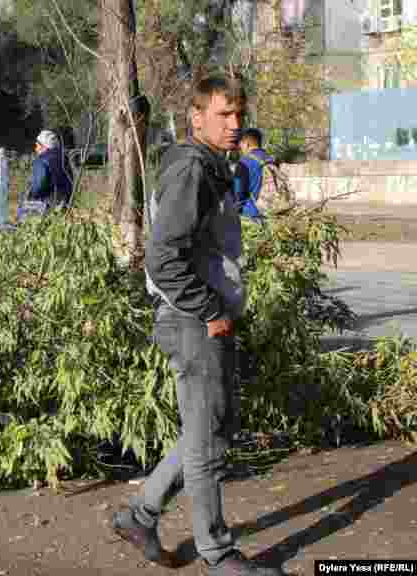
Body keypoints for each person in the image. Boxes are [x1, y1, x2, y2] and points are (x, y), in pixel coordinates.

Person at [113, 76, 283, 576]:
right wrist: (211, 310)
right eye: (223, 115)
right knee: (208, 442)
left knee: (210, 431)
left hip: (201, 318)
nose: (235, 125)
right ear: (197, 116)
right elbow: (164, 258)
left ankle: (139, 515)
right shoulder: (192, 169)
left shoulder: (210, 165)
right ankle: (218, 554)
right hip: (192, 321)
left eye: (238, 115)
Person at [233, 128, 275, 220]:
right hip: (272, 212)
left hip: (251, 215)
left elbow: (237, 193)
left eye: (240, 145)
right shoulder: (270, 159)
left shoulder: (244, 162)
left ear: (246, 144)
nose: (240, 148)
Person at [29, 129, 73, 209]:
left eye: (37, 146)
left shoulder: (41, 161)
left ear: (43, 146)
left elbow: (38, 187)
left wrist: (31, 196)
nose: (35, 149)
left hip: (45, 206)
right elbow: (70, 182)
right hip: (65, 205)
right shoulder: (64, 159)